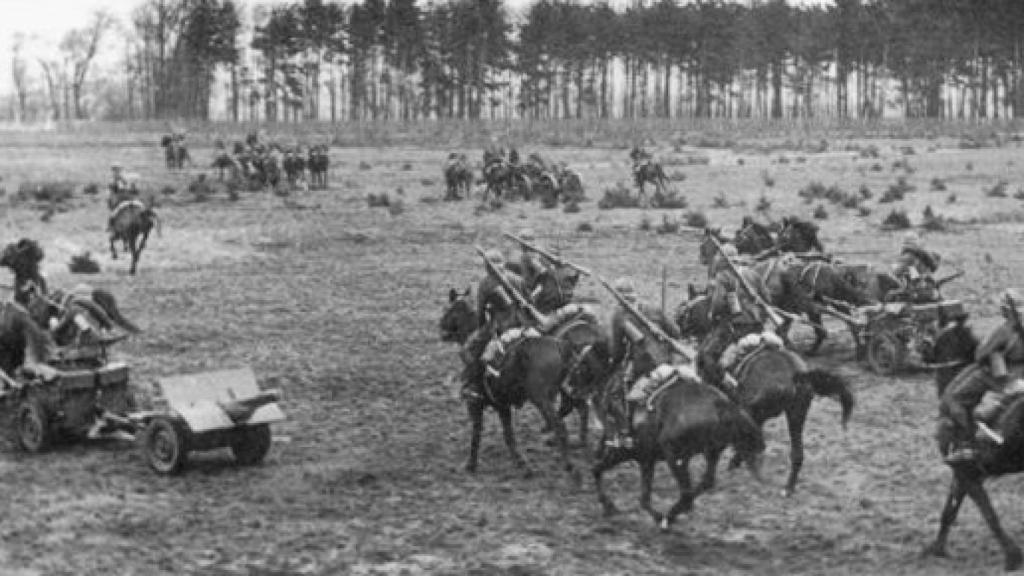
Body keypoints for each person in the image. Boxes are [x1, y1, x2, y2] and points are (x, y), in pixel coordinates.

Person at [942, 289, 1024, 464]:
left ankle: (967, 445)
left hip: (1005, 377)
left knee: (956, 399)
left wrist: (994, 354)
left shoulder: (1004, 330)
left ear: (1005, 310)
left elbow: (980, 355)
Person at [606, 276, 686, 448]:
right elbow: (677, 333)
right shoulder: (654, 308)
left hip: (644, 365)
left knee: (614, 394)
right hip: (667, 360)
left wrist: (614, 363)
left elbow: (617, 351)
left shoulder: (619, 316)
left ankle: (625, 433)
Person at [458, 249, 529, 401]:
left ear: (487, 266)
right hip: (522, 323)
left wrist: (481, 328)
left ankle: (474, 385)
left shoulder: (486, 283)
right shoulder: (517, 279)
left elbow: (481, 311)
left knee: (468, 349)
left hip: (500, 325)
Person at [698, 243, 766, 399]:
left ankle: (727, 385)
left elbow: (718, 304)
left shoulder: (724, 276)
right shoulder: (753, 274)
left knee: (707, 355)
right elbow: (766, 299)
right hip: (756, 325)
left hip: (735, 326)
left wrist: (712, 315)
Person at [891, 232, 941, 303]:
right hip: (930, 290)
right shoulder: (925, 255)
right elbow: (932, 269)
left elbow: (897, 273)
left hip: (915, 293)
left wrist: (895, 267)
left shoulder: (908, 256)